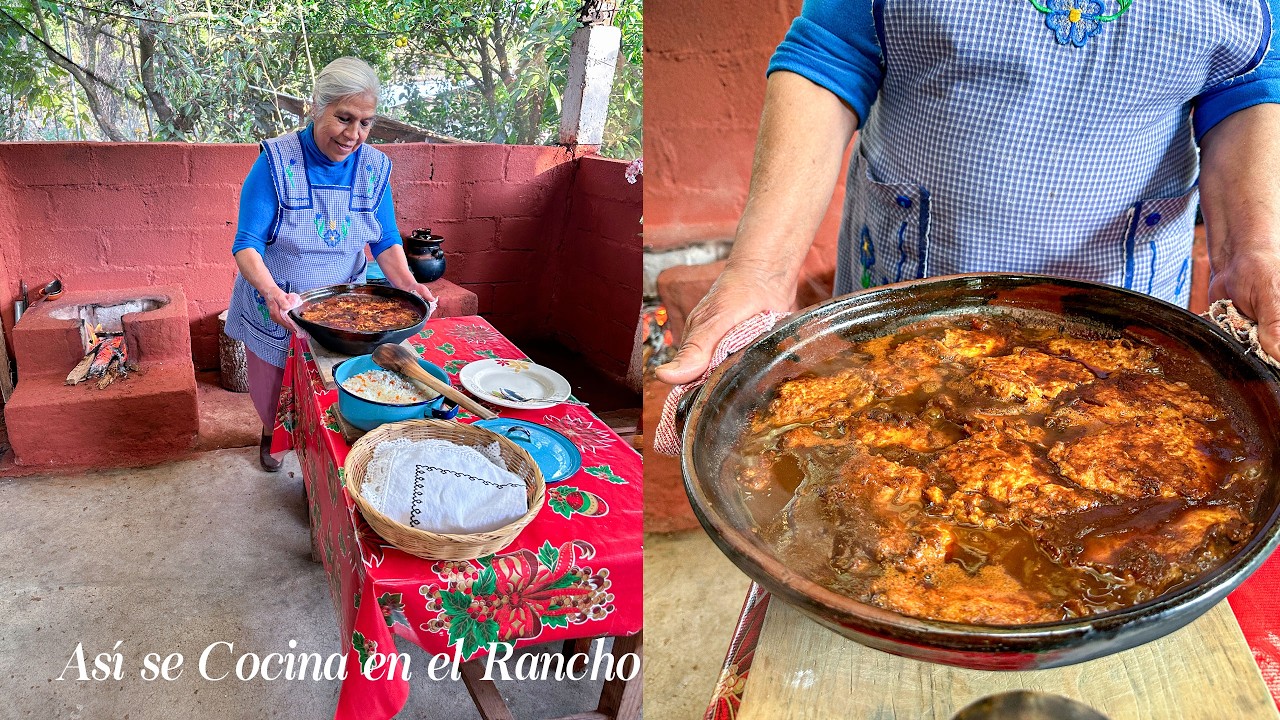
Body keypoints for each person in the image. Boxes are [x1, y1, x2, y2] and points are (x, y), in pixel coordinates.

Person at [655, 1, 1280, 387]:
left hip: (1119, 296)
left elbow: (1245, 85)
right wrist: (760, 273)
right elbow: (833, 52)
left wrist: (1252, 249)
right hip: (914, 280)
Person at [225, 57, 436, 471]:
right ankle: (273, 434)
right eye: (344, 118)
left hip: (348, 306)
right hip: (280, 300)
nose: (354, 134)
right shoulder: (275, 161)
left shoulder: (374, 168)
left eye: (366, 122)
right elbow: (246, 243)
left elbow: (386, 239)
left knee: (339, 389)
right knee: (275, 390)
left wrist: (409, 285)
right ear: (315, 107)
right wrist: (271, 293)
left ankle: (323, 457)